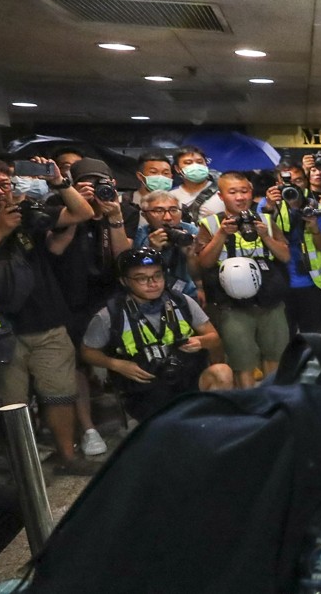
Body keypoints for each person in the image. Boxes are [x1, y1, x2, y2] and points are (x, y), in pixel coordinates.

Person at [0, 155, 98, 476]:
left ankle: (67, 456)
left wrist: (59, 181)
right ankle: (23, 467)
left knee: (60, 392)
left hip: (48, 320)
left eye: (4, 184)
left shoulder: (25, 213)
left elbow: (82, 212)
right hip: (0, 329)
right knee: (12, 404)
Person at [80, 248, 232, 422]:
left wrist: (201, 341)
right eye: (142, 278)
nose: (152, 283)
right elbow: (87, 352)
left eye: (157, 275)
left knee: (222, 372)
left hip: (186, 378)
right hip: (144, 390)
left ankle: (215, 426)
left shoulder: (182, 302)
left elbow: (214, 338)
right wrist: (116, 364)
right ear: (124, 281)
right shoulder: (109, 315)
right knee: (172, 427)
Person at [50, 158, 136, 457]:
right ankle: (87, 428)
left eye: (103, 182)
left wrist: (112, 216)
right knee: (77, 365)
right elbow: (55, 249)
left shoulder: (124, 210)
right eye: (89, 182)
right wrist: (79, 210)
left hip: (113, 294)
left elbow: (124, 258)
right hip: (71, 295)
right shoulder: (60, 205)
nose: (98, 188)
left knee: (122, 354)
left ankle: (133, 414)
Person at [194, 172, 291, 388]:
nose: (240, 197)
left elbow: (285, 255)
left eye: (244, 191)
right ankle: (251, 405)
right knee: (242, 361)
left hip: (269, 301)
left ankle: (274, 401)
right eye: (233, 192)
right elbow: (205, 262)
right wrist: (220, 234)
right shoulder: (209, 224)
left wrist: (266, 236)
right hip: (232, 306)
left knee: (275, 355)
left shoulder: (265, 219)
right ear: (221, 196)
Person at [260, 170, 321, 335]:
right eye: (285, 183)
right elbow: (263, 236)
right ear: (277, 185)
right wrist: (270, 208)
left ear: (306, 182)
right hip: (278, 282)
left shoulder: (316, 208)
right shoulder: (267, 205)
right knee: (284, 336)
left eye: (298, 181)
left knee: (313, 333)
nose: (292, 187)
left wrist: (314, 227)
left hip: (310, 282)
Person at [134, 190, 202, 304]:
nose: (168, 217)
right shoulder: (139, 235)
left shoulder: (190, 231)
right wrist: (152, 250)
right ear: (144, 215)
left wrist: (191, 256)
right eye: (159, 211)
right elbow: (136, 276)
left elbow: (198, 275)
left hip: (187, 294)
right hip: (150, 297)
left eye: (173, 210)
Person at [171, 146, 224, 222]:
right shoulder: (172, 196)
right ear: (177, 169)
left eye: (200, 162)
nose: (195, 166)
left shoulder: (222, 190)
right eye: (188, 163)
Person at [129, 152, 175, 232]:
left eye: (166, 173)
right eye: (154, 172)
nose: (160, 177)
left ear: (171, 176)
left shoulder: (177, 203)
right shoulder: (124, 202)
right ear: (140, 176)